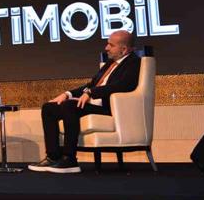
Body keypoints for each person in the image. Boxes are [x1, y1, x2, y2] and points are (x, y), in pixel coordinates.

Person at [29, 29, 141, 174]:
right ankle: (53, 157)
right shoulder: (110, 63)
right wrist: (67, 94)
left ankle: (69, 159)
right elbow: (91, 84)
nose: (106, 48)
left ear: (124, 49)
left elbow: (122, 86)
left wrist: (91, 93)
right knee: (49, 108)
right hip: (94, 105)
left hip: (110, 108)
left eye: (111, 45)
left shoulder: (134, 63)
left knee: (70, 106)